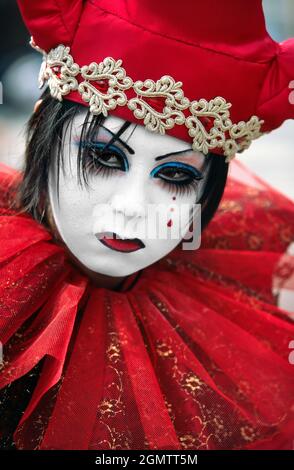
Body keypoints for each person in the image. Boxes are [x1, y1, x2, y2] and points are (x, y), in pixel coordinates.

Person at [0, 0, 293, 450]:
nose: (133, 208)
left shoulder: (249, 307)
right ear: (43, 126)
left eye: (176, 175)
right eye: (102, 156)